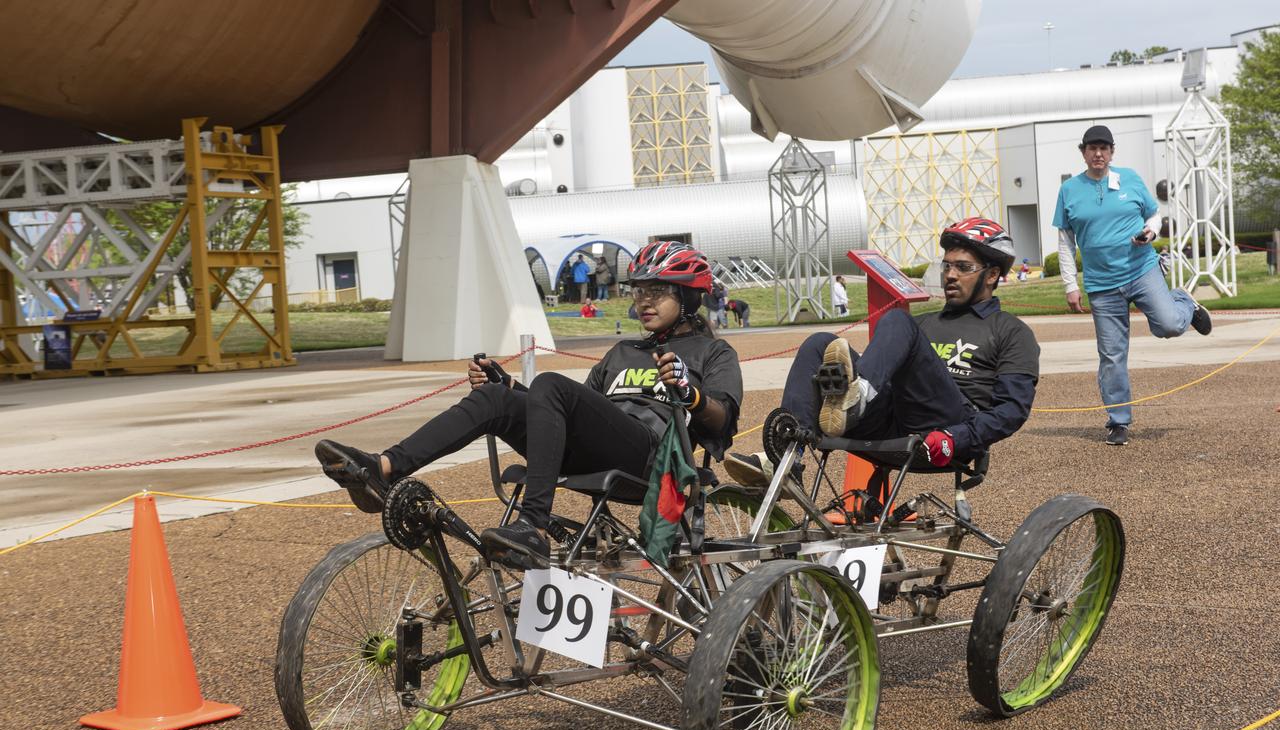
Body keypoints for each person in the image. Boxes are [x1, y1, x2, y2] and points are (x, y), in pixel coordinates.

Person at [316, 241, 743, 569]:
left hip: (653, 460)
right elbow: (574, 410)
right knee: (495, 396)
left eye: (659, 291)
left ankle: (534, 525)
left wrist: (691, 395)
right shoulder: (622, 352)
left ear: (690, 297)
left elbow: (722, 418)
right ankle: (385, 468)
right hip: (600, 451)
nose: (644, 301)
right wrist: (510, 391)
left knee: (550, 383)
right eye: (639, 291)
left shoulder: (713, 353)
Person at [724, 217, 1039, 486]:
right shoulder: (925, 324)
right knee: (819, 341)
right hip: (891, 419)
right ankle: (786, 459)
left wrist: (958, 437)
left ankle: (856, 397)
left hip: (947, 428)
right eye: (946, 265)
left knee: (897, 320)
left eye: (963, 267)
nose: (950, 275)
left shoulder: (1011, 332)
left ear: (993, 274)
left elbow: (1011, 410)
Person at [1054, 124, 1212, 447]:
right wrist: (1071, 284)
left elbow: (1154, 216)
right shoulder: (1069, 190)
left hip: (1142, 270)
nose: (1098, 153)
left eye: (1104, 148)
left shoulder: (1130, 179)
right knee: (1112, 355)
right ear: (1083, 152)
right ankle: (1118, 421)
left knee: (1168, 325)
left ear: (1112, 152)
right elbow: (1065, 243)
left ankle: (1184, 303)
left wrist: (1150, 233)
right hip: (1101, 285)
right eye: (1092, 148)